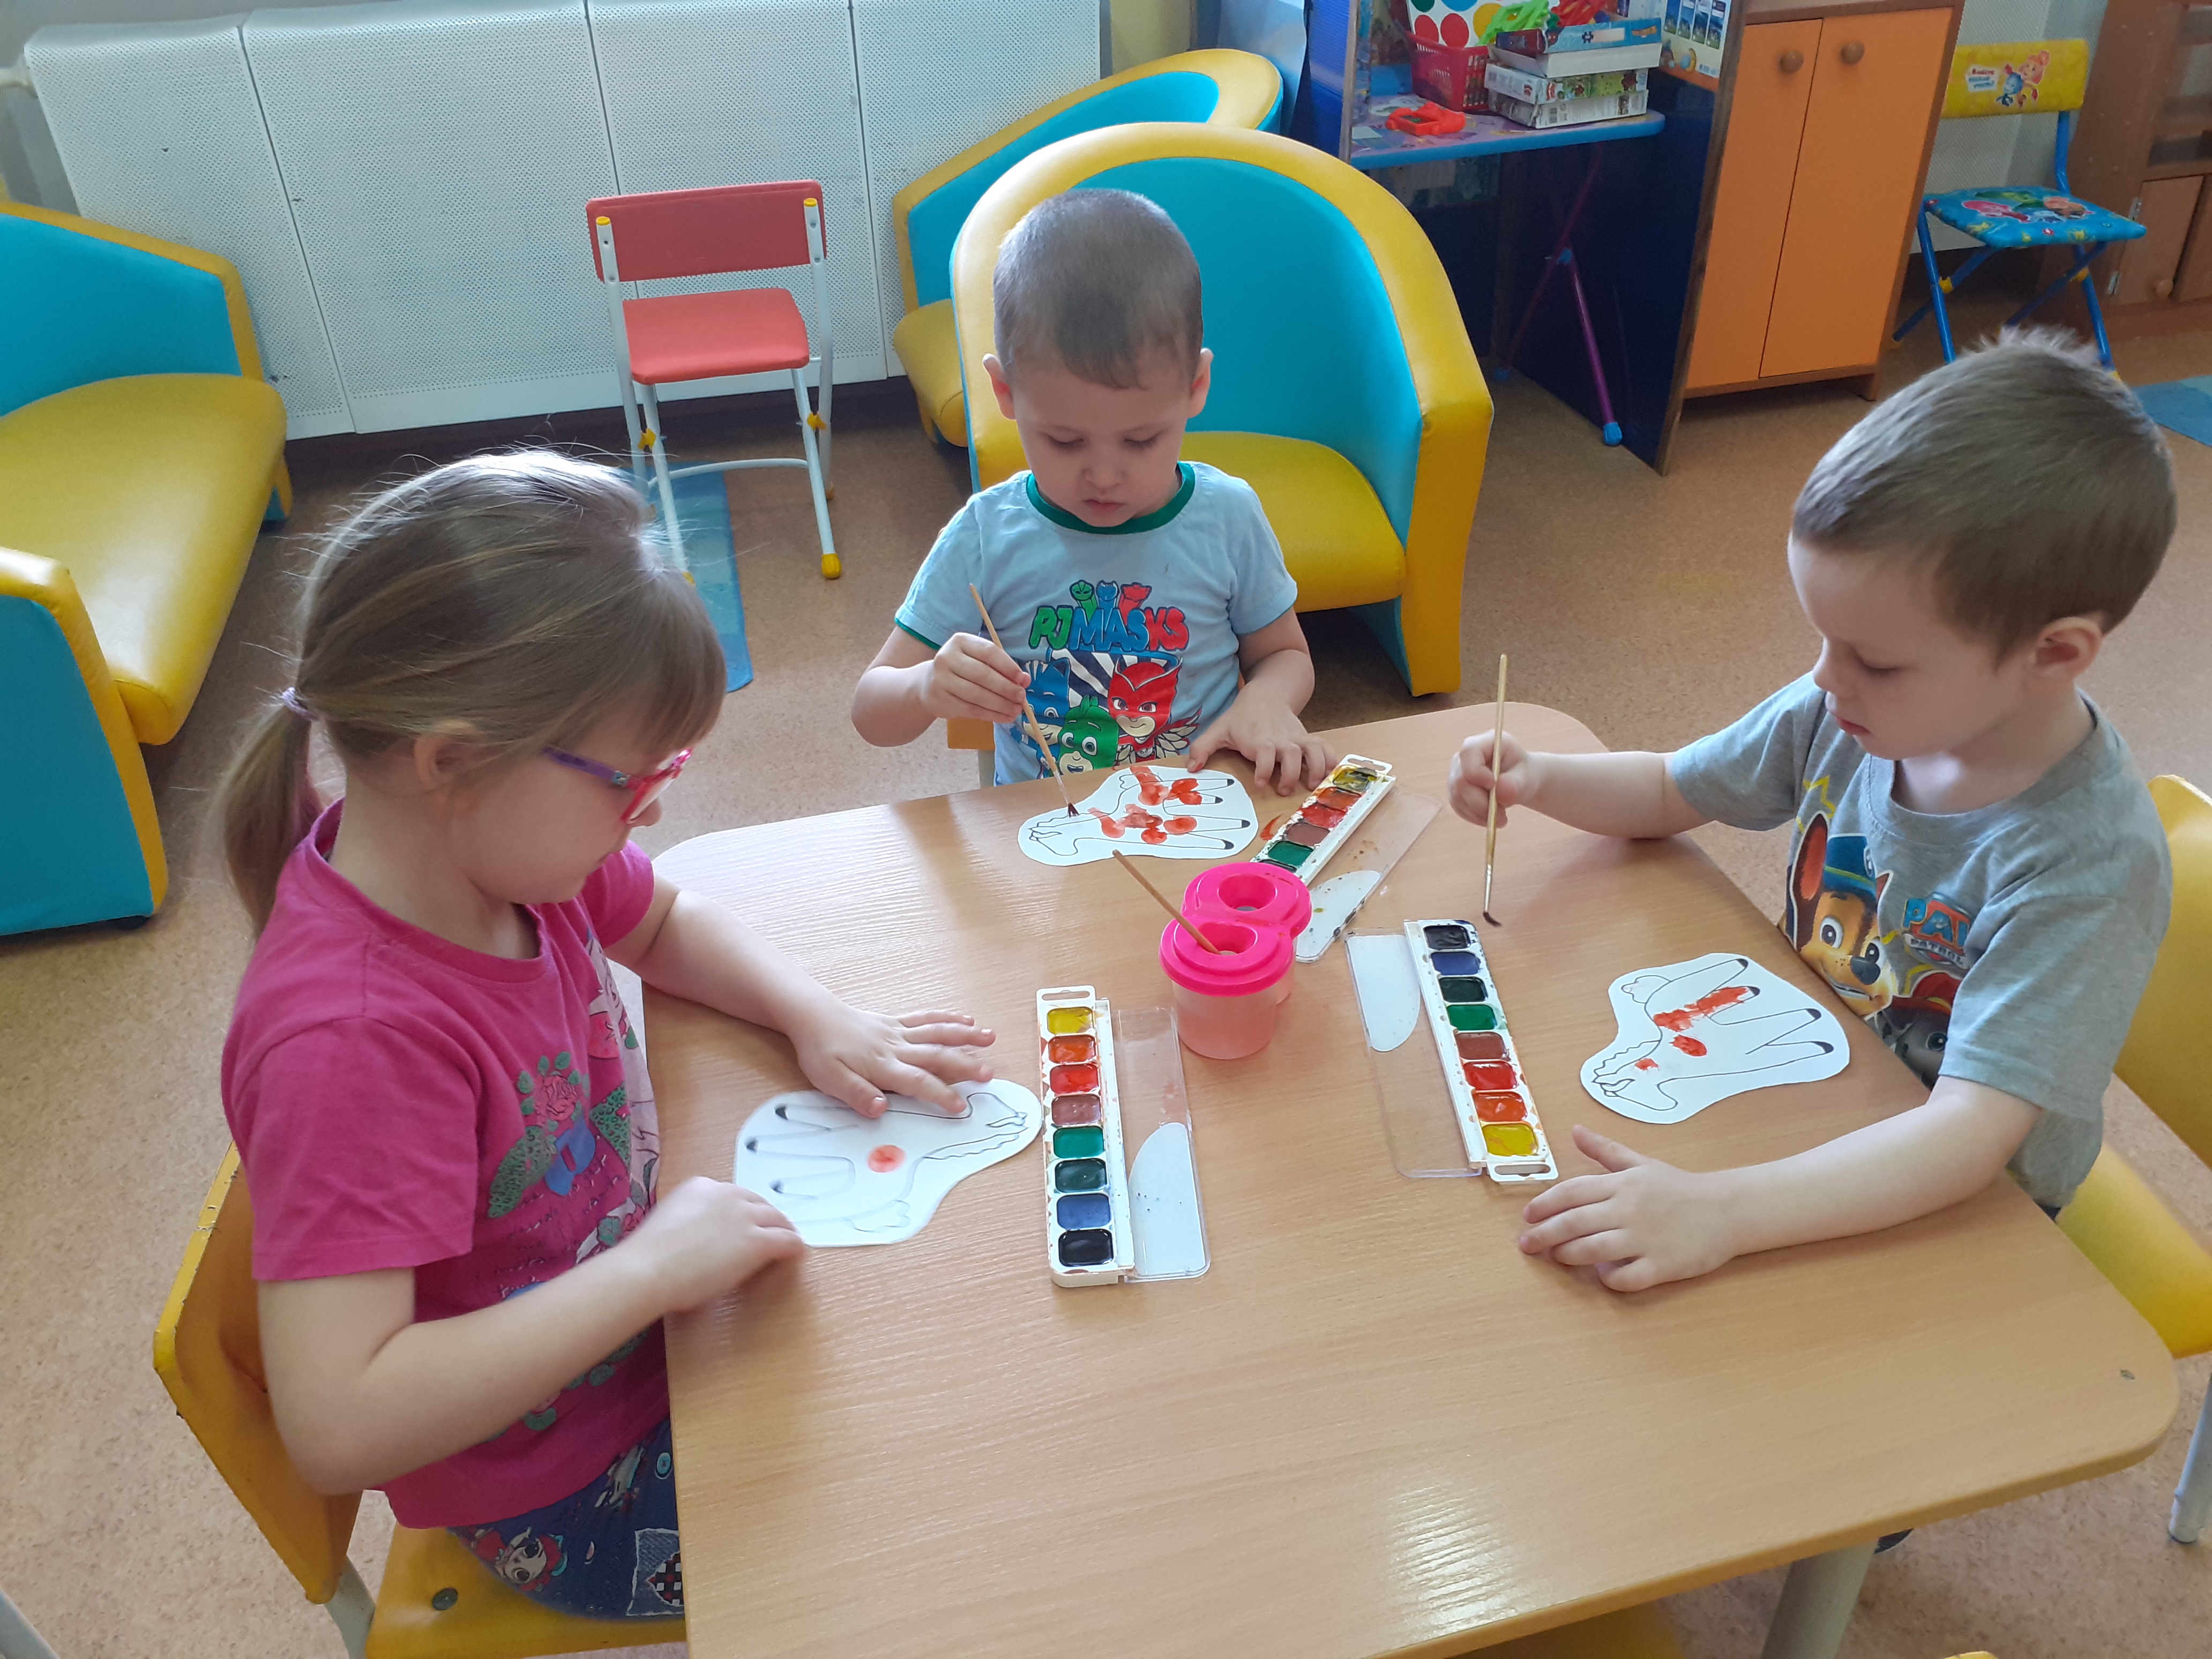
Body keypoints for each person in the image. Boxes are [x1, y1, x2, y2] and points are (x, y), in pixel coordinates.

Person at [217, 453, 995, 1618]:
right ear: (450, 760)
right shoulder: (353, 1044)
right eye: (627, 783)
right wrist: (647, 1273)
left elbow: (665, 917)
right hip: (571, 1489)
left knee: (954, 1319)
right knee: (945, 1504)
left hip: (645, 1326)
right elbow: (341, 1421)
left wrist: (812, 1011)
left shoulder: (490, 852)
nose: (654, 807)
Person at [1449, 332, 2177, 1295]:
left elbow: (1969, 1134)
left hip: (1958, 1204)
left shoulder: (2087, 865)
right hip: (1811, 1091)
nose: (1827, 678)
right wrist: (1539, 778)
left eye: (1874, 659)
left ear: (2053, 654)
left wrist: (1721, 1211)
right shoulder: (1852, 706)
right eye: (1823, 638)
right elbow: (1670, 789)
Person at [851, 189, 1332, 794]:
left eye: (1141, 440)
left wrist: (1266, 699)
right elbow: (871, 710)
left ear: (1196, 387)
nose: (1104, 476)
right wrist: (924, 688)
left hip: (1192, 812)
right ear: (1005, 394)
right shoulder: (985, 535)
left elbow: (1287, 656)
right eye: (1065, 441)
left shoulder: (1227, 516)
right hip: (1047, 826)